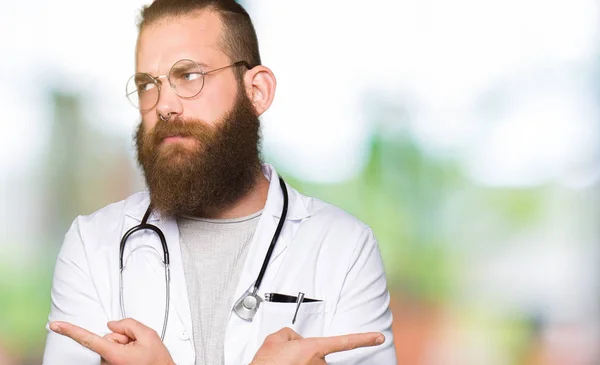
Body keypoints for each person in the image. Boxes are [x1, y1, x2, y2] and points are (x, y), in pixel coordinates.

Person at [42, 0, 397, 364]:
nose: (164, 104)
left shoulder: (346, 248)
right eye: (147, 84)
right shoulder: (91, 245)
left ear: (257, 91)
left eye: (189, 76)